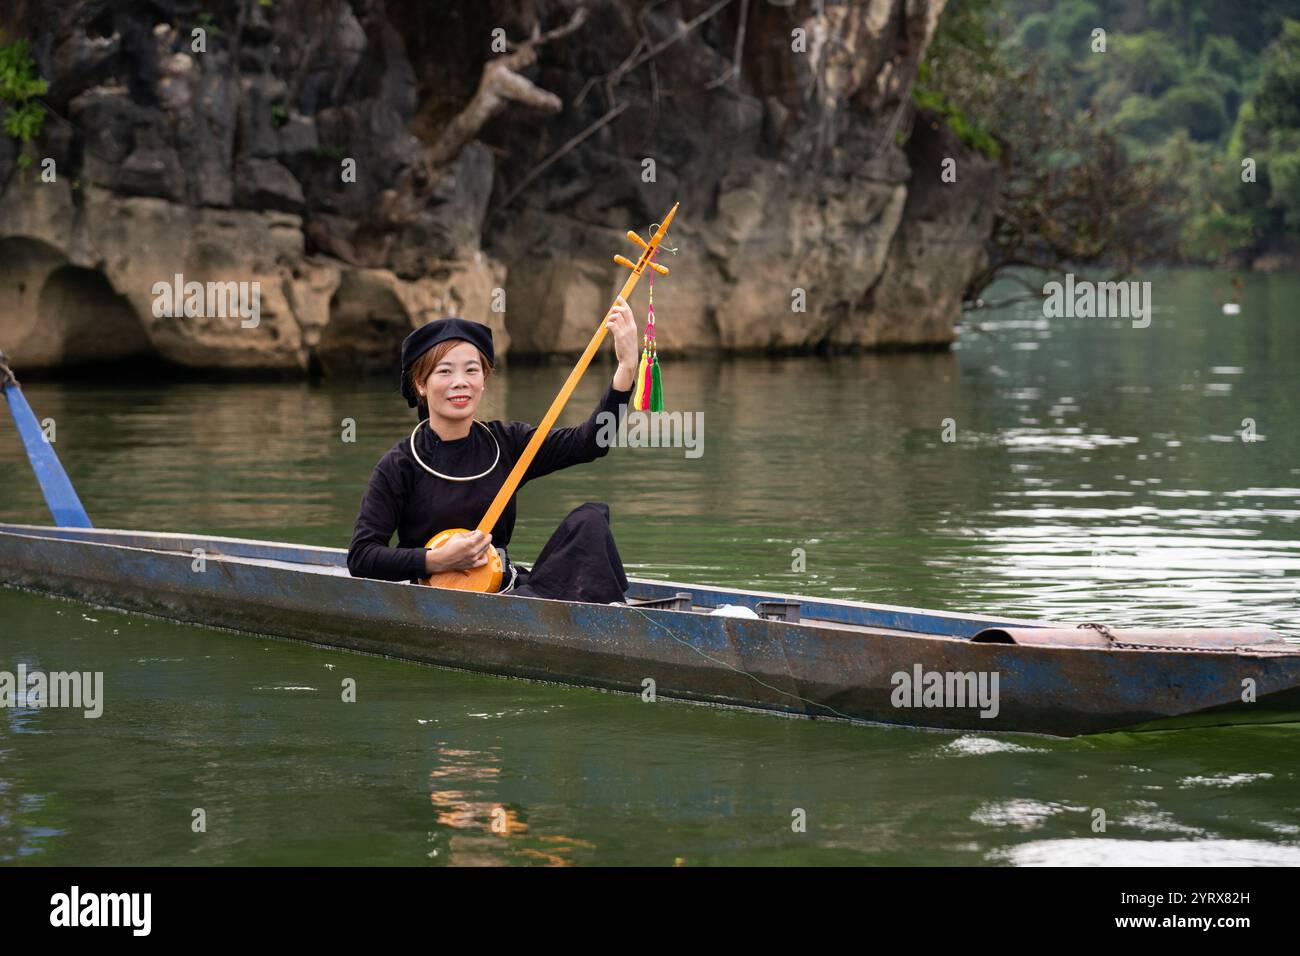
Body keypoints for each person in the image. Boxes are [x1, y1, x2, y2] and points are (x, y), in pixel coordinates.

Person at [347, 299, 640, 603]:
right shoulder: (399, 464)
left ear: (483, 381)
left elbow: (591, 443)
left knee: (589, 522)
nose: (460, 383)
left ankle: (598, 621)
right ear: (421, 383)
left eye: (471, 370)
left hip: (504, 592)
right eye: (445, 372)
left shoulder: (507, 443)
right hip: (433, 601)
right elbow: (362, 558)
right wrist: (436, 560)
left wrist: (626, 369)